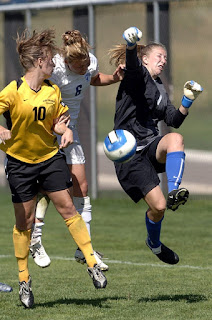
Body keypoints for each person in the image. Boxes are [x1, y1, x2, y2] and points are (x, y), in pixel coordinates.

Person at [0, 29, 107, 308]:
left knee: (68, 209)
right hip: (20, 164)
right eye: (49, 60)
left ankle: (92, 263)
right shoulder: (13, 91)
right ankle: (24, 280)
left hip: (49, 158)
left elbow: (58, 122)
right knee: (24, 223)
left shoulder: (52, 90)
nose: (53, 64)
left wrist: (65, 130)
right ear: (39, 62)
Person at [30, 29, 124, 271]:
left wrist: (114, 78)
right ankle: (35, 237)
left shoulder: (89, 62)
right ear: (67, 61)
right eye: (78, 66)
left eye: (85, 64)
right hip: (47, 133)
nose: (83, 69)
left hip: (71, 132)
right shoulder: (56, 69)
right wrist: (54, 122)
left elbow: (92, 79)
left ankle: (85, 249)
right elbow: (36, 96)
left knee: (81, 187)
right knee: (49, 189)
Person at [108, 27, 203, 264]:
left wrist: (187, 101)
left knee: (175, 139)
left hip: (150, 146)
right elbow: (131, 64)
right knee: (158, 208)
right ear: (145, 59)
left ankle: (175, 191)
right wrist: (130, 44)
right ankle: (154, 243)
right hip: (130, 155)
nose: (163, 60)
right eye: (159, 56)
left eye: (166, 58)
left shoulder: (160, 87)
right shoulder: (136, 75)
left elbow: (173, 120)